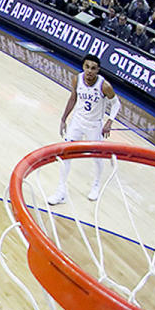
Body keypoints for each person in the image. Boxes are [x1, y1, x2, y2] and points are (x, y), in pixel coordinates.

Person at [47, 54, 120, 205]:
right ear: (83, 67)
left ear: (98, 70)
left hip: (94, 125)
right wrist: (63, 118)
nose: (89, 71)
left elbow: (116, 104)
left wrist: (109, 122)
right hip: (77, 122)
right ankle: (61, 191)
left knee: (96, 157)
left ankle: (96, 185)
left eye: (93, 68)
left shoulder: (104, 86)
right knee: (66, 154)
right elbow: (73, 98)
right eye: (87, 67)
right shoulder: (77, 79)